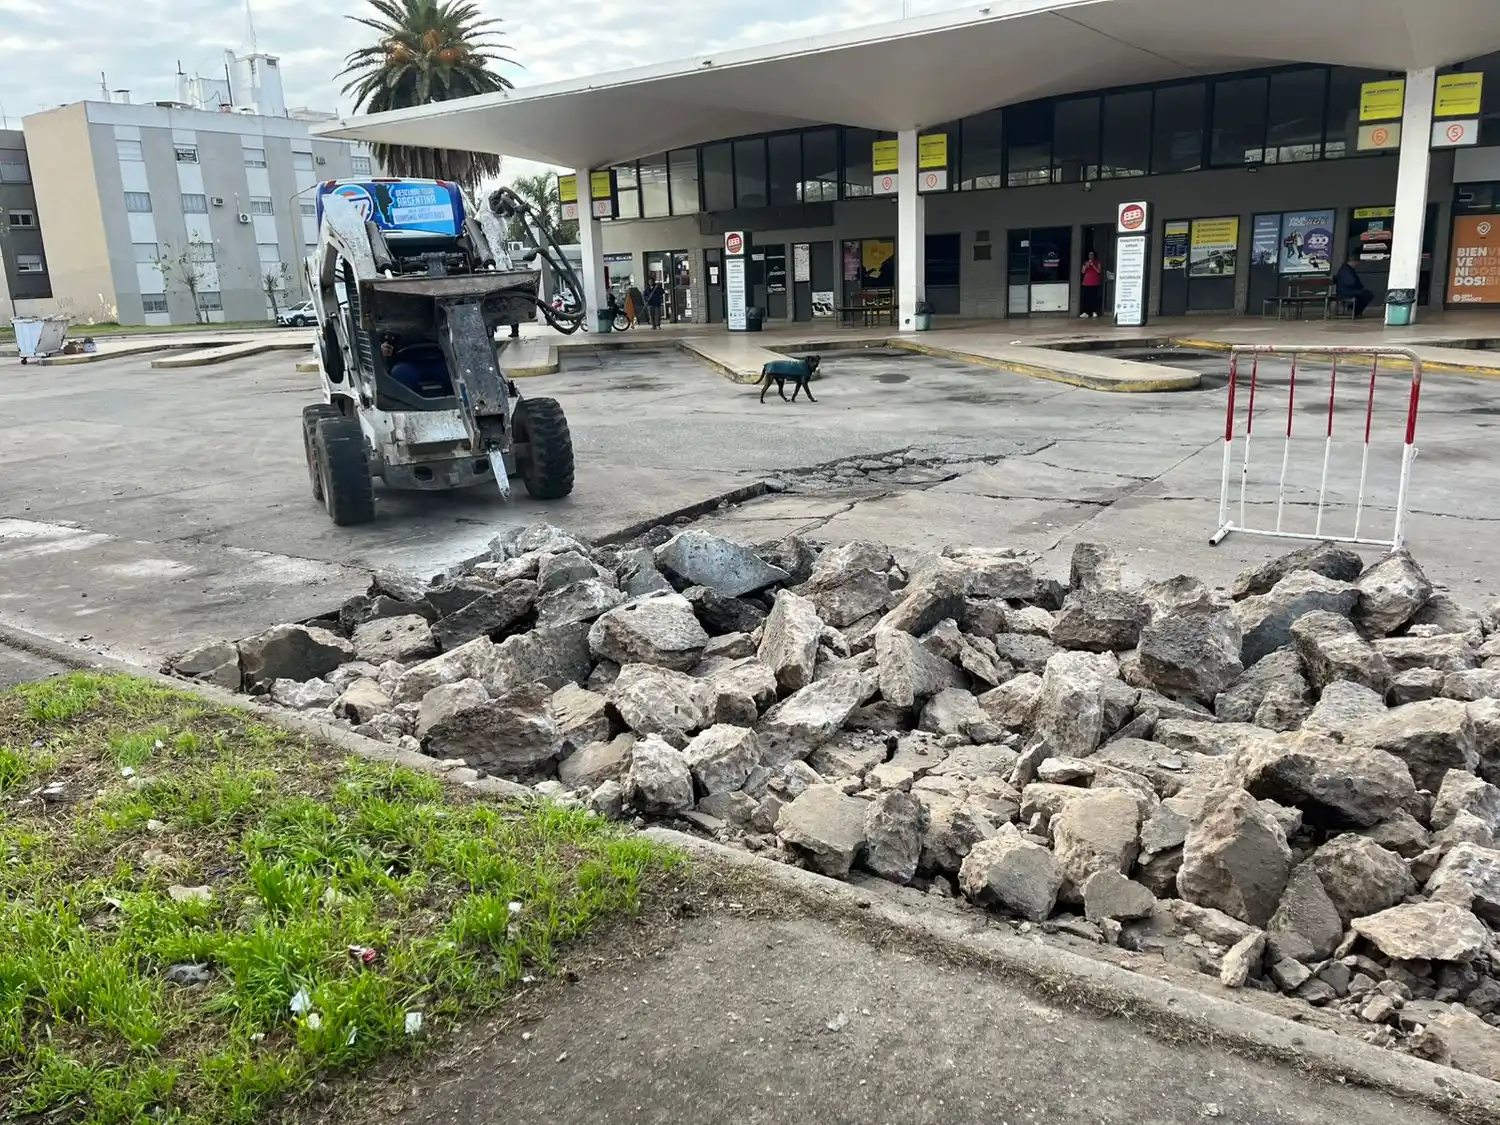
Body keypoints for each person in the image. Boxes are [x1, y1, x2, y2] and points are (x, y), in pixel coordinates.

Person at [1080, 251, 1104, 318]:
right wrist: (1086, 266)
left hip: (1094, 282)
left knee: (1094, 298)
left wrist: (1093, 265)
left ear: (1094, 255)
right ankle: (1086, 312)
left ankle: (1094, 311)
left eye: (1092, 254)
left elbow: (1099, 271)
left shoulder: (1097, 262)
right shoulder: (1086, 262)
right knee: (1086, 298)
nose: (1090, 256)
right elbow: (1082, 271)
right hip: (1086, 283)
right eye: (1089, 254)